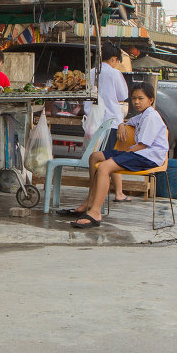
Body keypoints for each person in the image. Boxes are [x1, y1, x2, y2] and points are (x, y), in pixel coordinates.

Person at [59, 82, 169, 228]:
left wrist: (120, 155)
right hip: (139, 153)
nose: (136, 102)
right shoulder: (143, 115)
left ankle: (95, 213)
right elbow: (129, 122)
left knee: (104, 167)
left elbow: (142, 145)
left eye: (140, 98)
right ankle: (90, 201)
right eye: (134, 98)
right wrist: (121, 125)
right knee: (95, 157)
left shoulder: (151, 117)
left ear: (151, 100)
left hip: (148, 157)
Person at [85, 42, 130, 200]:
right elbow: (123, 95)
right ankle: (110, 193)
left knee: (96, 158)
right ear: (113, 59)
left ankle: (111, 192)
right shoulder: (114, 73)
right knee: (110, 158)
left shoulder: (91, 73)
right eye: (117, 61)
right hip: (110, 122)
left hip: (92, 121)